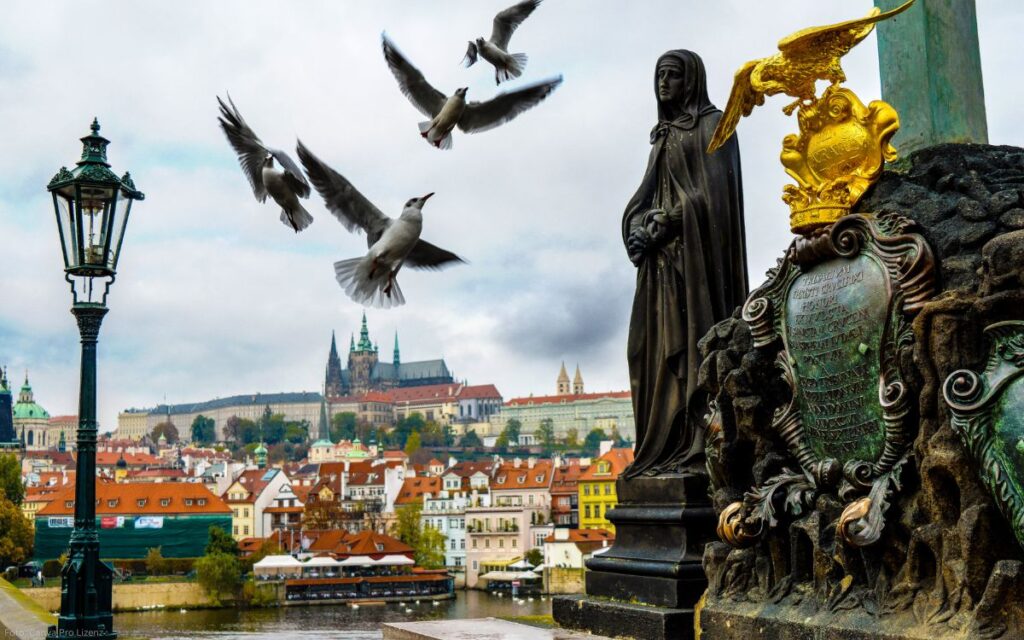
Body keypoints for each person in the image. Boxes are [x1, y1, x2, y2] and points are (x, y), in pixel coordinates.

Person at [623, 49, 748, 478]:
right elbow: (646, 196)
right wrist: (639, 226)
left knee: (691, 351)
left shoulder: (715, 126)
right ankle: (660, 450)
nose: (664, 84)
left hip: (696, 267)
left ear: (691, 80)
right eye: (659, 76)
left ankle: (696, 447)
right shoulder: (663, 135)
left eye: (672, 76)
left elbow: (717, 200)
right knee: (646, 351)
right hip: (660, 270)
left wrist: (672, 219)